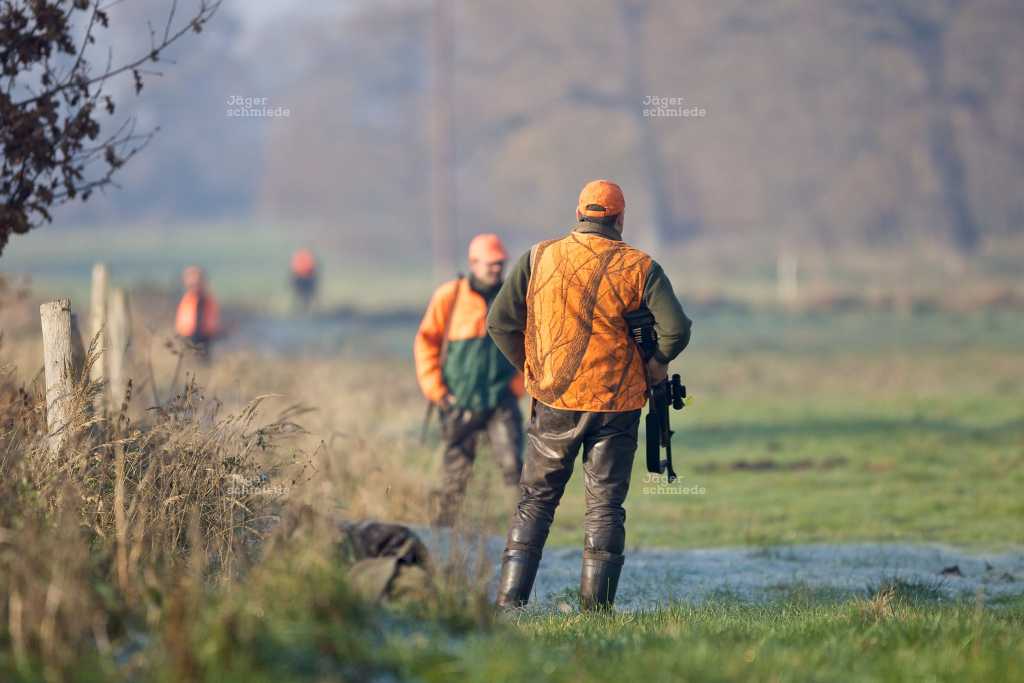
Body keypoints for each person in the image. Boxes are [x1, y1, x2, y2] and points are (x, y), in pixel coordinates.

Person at [487, 179, 692, 609]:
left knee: (536, 501)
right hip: (616, 404)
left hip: (554, 401)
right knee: (604, 505)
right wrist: (655, 364)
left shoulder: (538, 257)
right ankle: (595, 611)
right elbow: (677, 329)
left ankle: (510, 603)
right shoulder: (641, 266)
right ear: (620, 218)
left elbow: (500, 323)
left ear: (579, 213)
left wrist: (533, 368)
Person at [414, 234, 526, 526]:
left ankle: (525, 533)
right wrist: (437, 392)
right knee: (455, 476)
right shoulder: (449, 297)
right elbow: (426, 344)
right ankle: (442, 534)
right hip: (458, 401)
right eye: (490, 264)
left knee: (516, 468)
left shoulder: (513, 299)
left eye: (500, 264)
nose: (496, 269)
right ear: (473, 262)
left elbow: (532, 347)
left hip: (501, 399)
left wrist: (517, 388)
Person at [174, 266, 222, 358]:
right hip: (187, 336)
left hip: (204, 337)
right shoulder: (188, 299)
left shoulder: (206, 300)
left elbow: (212, 322)